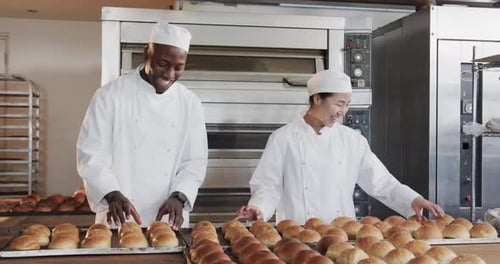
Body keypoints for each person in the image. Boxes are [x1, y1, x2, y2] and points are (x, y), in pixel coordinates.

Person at [236, 70, 443, 224]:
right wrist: (258, 208)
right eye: (339, 103)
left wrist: (413, 200)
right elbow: (268, 186)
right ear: (317, 98)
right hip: (296, 238)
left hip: (342, 237)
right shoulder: (283, 139)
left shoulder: (352, 141)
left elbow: (381, 182)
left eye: (347, 104)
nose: (343, 111)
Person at [77, 22, 207, 230]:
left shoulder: (190, 103)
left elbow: (195, 161)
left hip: (167, 221)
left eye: (178, 67)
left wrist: (179, 196)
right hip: (118, 218)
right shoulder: (110, 96)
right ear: (147, 54)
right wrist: (111, 194)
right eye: (163, 63)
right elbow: (91, 155)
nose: (169, 74)